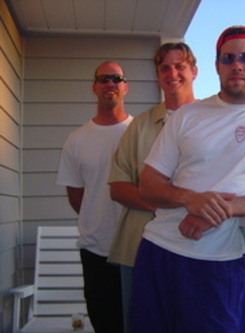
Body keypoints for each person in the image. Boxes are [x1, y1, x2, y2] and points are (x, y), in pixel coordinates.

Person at [132, 26, 245, 333]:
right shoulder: (188, 116)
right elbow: (148, 184)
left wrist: (217, 210)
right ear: (217, 66)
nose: (237, 64)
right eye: (227, 58)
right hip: (158, 250)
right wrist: (190, 199)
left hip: (218, 261)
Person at [108, 42, 198, 332]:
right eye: (164, 68)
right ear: (158, 76)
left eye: (179, 66)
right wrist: (168, 203)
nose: (172, 73)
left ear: (194, 71)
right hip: (137, 249)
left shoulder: (213, 120)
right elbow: (118, 186)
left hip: (198, 249)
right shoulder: (140, 125)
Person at [56, 61, 133, 333]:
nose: (110, 83)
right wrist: (97, 219)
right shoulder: (76, 139)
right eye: (103, 79)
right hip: (95, 250)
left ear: (125, 87)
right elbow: (76, 196)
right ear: (94, 87)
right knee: (105, 324)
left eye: (116, 78)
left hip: (137, 248)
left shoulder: (139, 134)